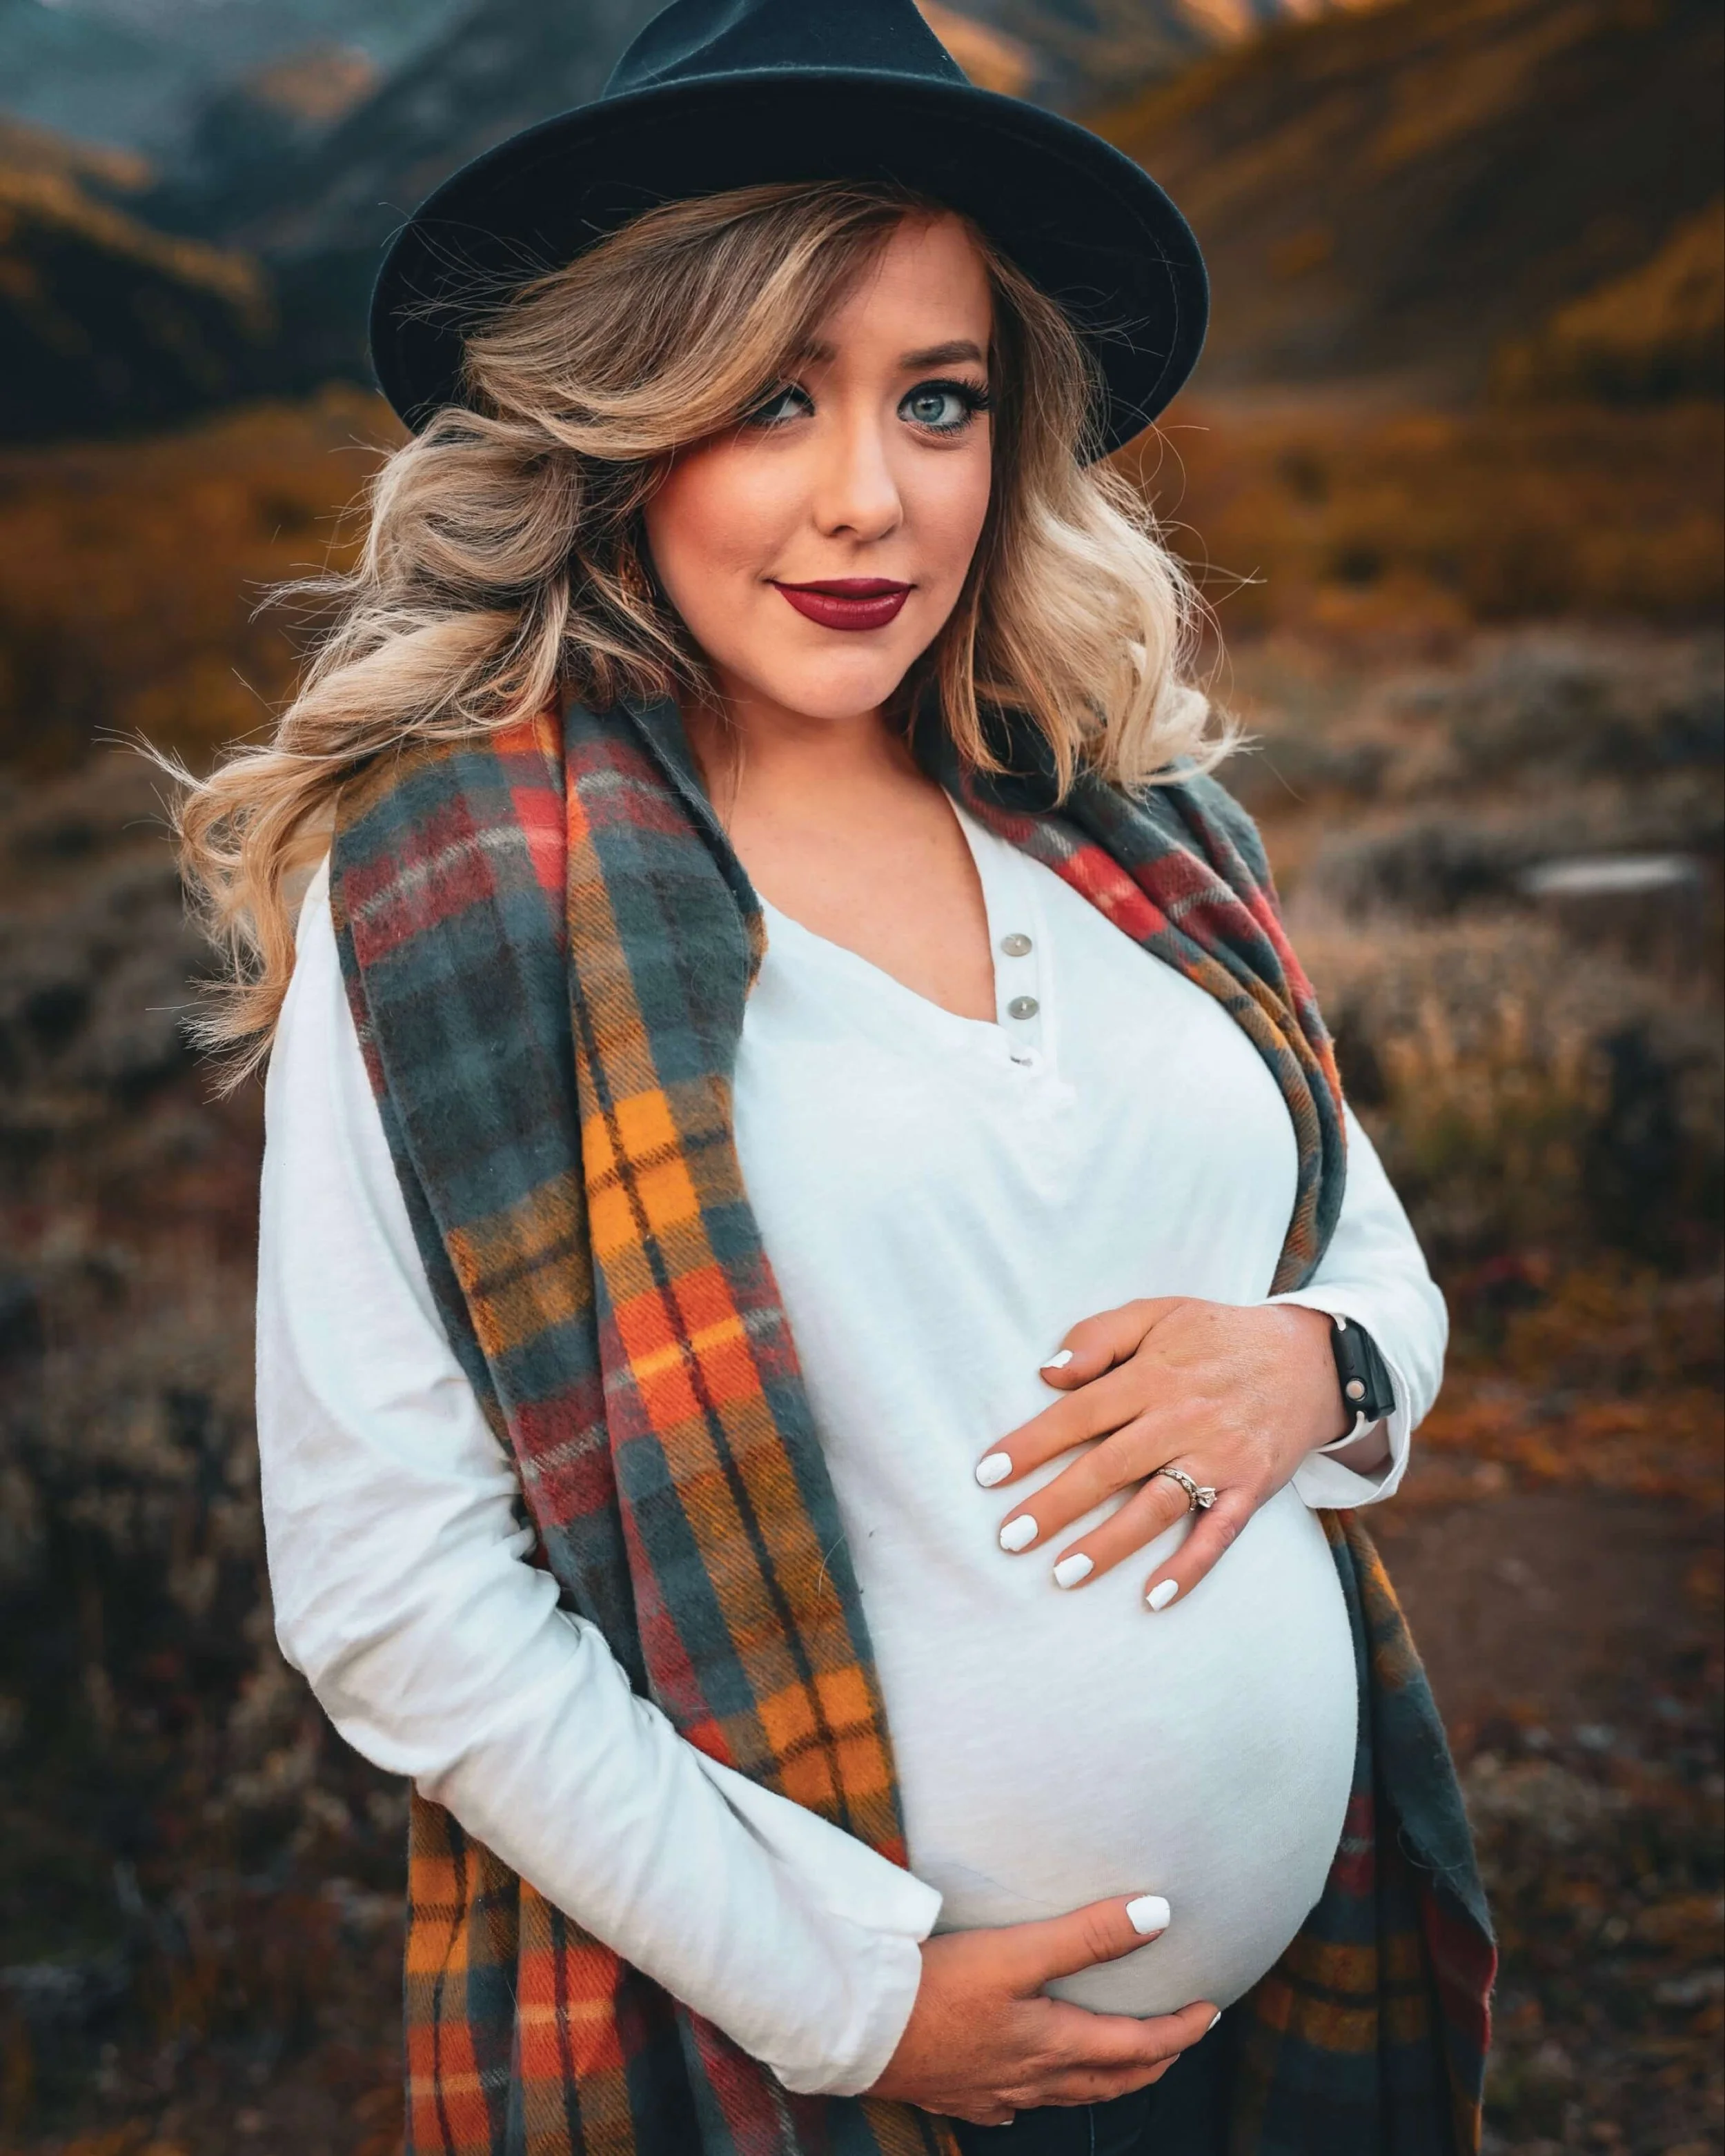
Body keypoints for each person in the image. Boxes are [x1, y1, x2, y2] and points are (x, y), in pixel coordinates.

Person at [171, 2, 1495, 2150]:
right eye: (771, 398)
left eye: (937, 400)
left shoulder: (1136, 830)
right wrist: (851, 2000)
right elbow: (391, 1584)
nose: (867, 498)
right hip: (806, 2069)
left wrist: (1323, 1366)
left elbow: (1362, 1249)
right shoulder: (460, 892)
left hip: (1291, 2014)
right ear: (625, 422)